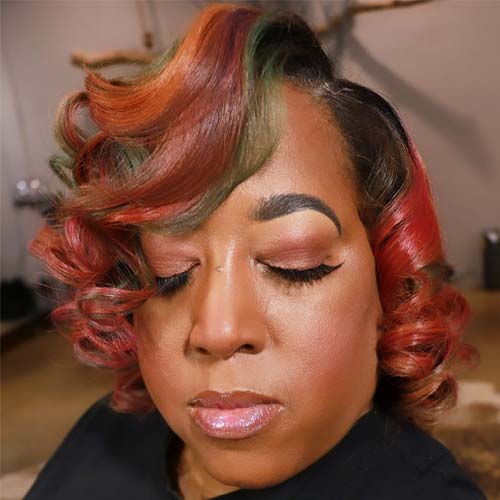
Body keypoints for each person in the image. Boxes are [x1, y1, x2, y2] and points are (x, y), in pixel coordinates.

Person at [26, 3, 486, 499]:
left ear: (389, 289)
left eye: (294, 264)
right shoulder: (106, 435)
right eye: (167, 272)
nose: (218, 330)